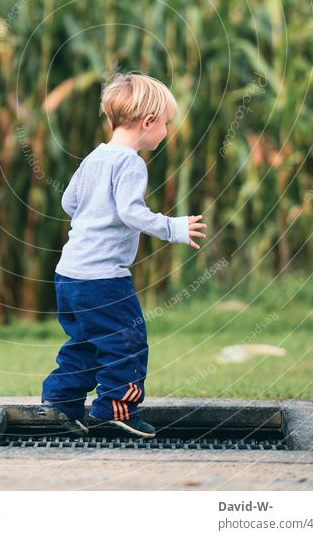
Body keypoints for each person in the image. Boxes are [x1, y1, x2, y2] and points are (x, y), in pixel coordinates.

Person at [38, 71, 207, 438]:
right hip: (103, 280)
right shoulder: (130, 163)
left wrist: (95, 213)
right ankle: (116, 409)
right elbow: (132, 212)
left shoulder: (94, 158)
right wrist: (173, 227)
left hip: (69, 275)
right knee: (126, 343)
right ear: (148, 122)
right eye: (165, 123)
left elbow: (69, 202)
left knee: (84, 342)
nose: (166, 130)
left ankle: (59, 404)